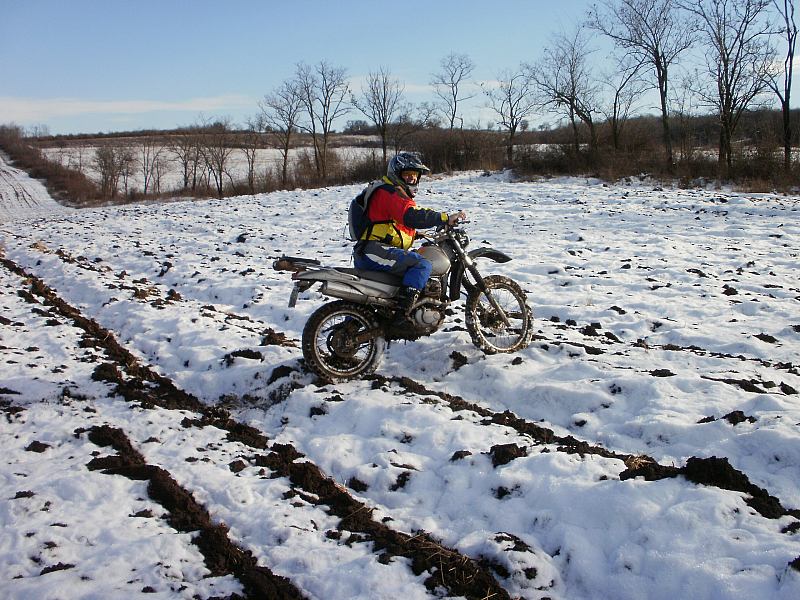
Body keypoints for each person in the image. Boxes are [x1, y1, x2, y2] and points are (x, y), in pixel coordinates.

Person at [353, 152, 466, 320]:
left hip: (375, 249)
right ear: (396, 175)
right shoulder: (389, 192)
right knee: (422, 265)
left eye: (415, 176)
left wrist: (415, 234)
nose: (412, 179)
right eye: (407, 175)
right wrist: (444, 218)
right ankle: (402, 314)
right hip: (373, 250)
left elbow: (392, 224)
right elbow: (411, 216)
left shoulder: (389, 191)